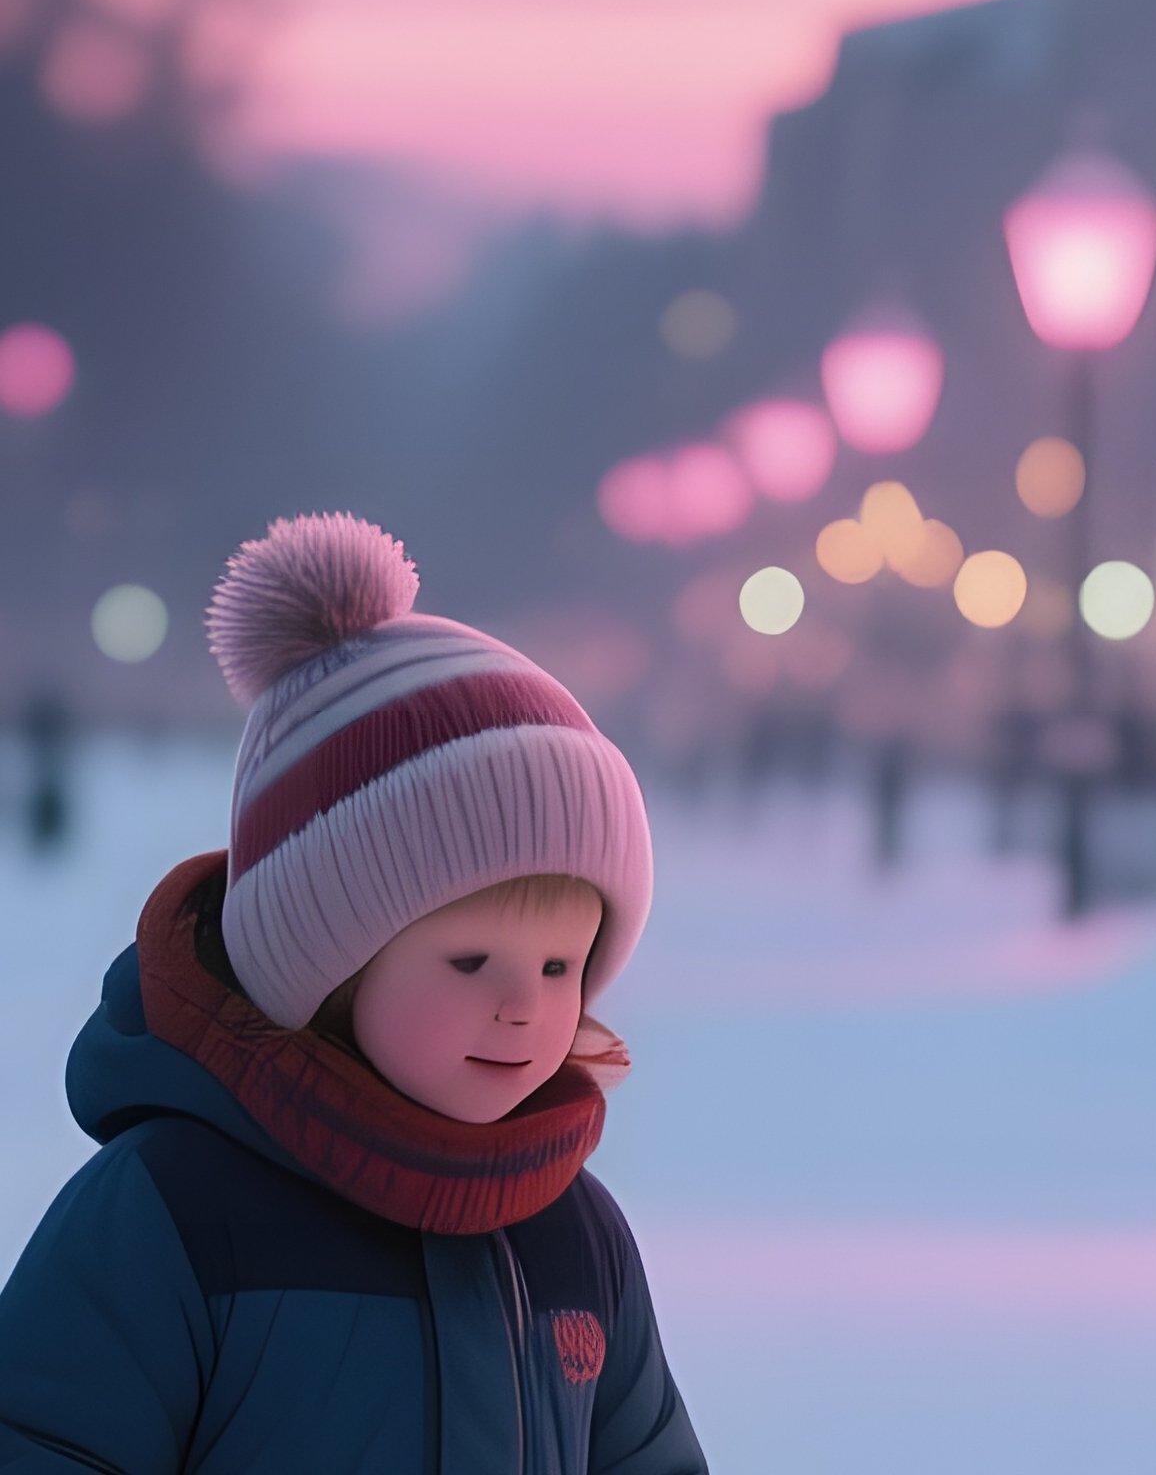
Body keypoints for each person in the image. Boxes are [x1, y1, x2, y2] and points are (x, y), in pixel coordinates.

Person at [0, 512, 707, 1473]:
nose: (526, 1006)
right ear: (328, 966)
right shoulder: (174, 1216)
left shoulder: (575, 1236)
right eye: (469, 962)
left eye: (560, 967)